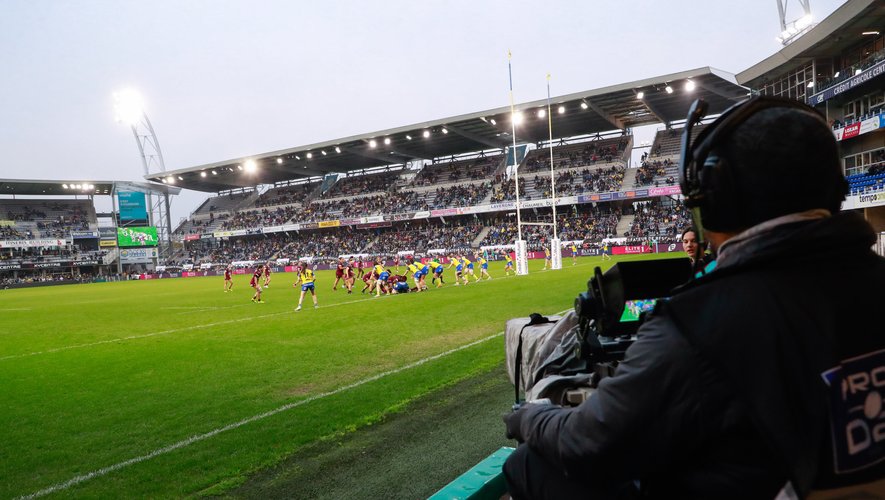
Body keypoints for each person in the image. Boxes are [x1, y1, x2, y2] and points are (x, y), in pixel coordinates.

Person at [503, 96, 885, 498]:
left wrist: (531, 418)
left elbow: (590, 443)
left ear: (718, 199)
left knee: (527, 463)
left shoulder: (701, 321)